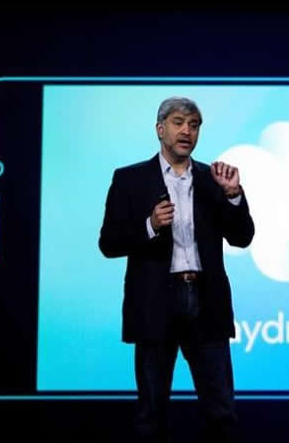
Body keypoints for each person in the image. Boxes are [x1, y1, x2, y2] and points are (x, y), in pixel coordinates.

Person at [98, 96, 254, 442]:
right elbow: (109, 243)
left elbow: (242, 237)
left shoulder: (214, 179)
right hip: (155, 303)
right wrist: (150, 225)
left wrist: (233, 196)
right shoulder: (130, 179)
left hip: (206, 301)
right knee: (151, 414)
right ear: (160, 129)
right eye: (179, 123)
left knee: (222, 411)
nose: (187, 131)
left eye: (194, 125)